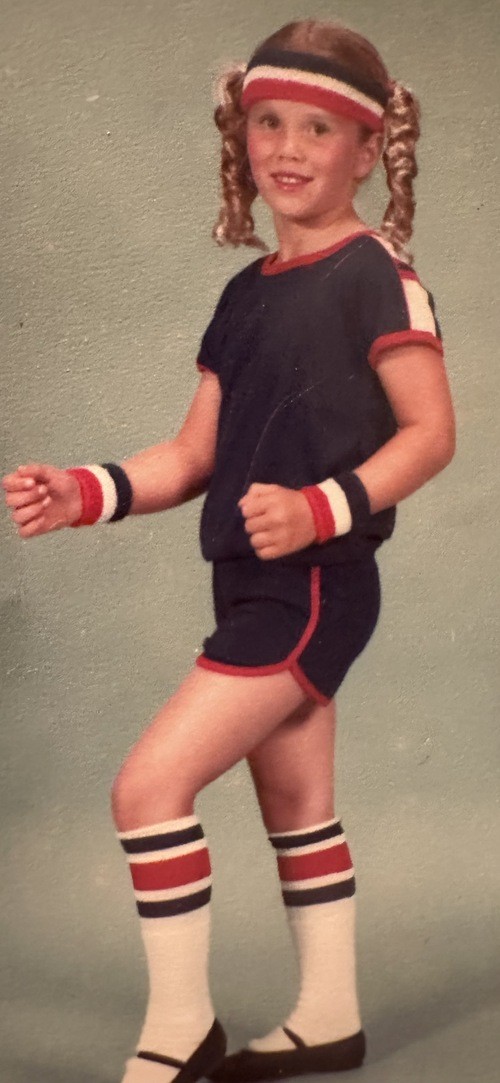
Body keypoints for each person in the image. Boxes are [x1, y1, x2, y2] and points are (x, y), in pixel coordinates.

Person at [2, 17, 455, 1083]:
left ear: (367, 149)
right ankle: (329, 1018)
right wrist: (85, 492)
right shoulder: (244, 295)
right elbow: (191, 455)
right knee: (295, 806)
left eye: (316, 128)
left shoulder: (378, 277)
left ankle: (181, 1029)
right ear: (238, 136)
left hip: (310, 586)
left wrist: (321, 510)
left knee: (146, 790)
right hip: (249, 583)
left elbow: (431, 433)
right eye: (267, 123)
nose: (287, 148)